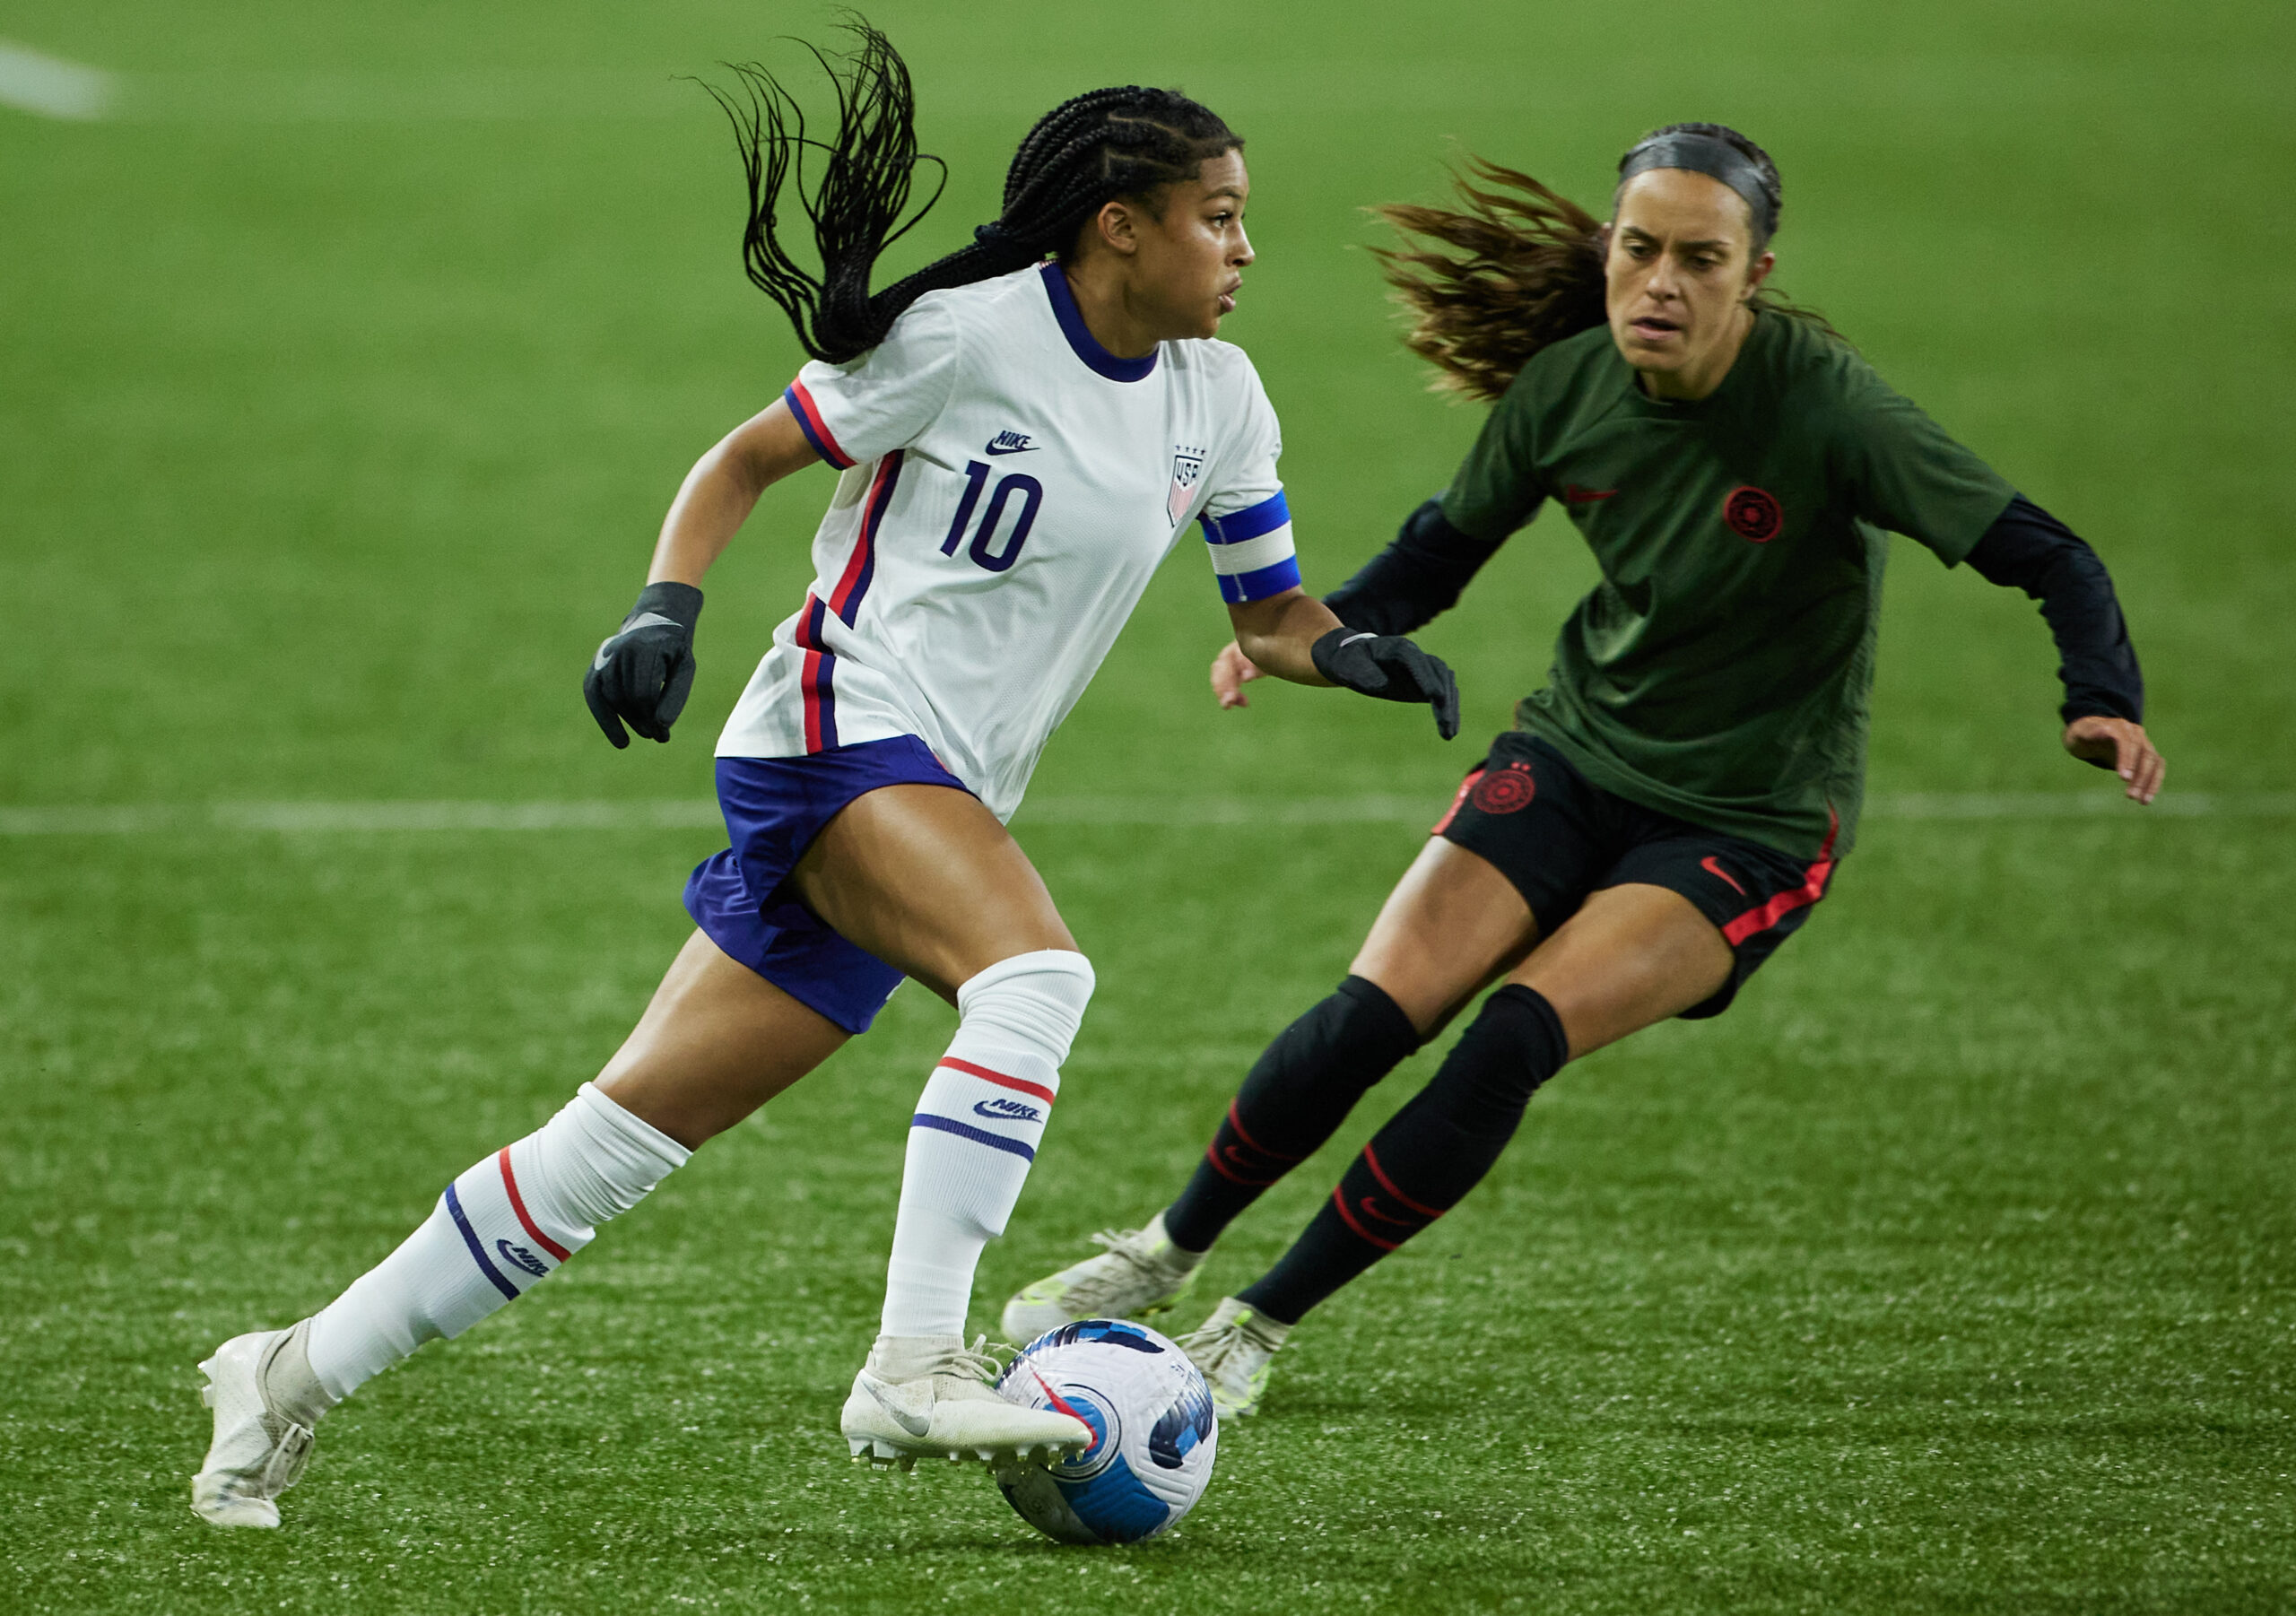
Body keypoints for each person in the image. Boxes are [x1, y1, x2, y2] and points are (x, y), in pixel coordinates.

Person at [190, 23, 1460, 1526]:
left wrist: (1353, 652)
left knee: (612, 1146)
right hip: (832, 728)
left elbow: (1271, 615)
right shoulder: (973, 335)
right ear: (1121, 226)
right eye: (1221, 215)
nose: (1248, 245)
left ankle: (280, 1376)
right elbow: (740, 462)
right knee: (1036, 979)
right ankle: (916, 1357)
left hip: (937, 785)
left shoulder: (1221, 395)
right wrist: (664, 608)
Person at [1003, 123, 2163, 1416]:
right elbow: (1441, 548)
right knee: (1369, 1014)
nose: (1660, 283)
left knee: (1508, 1038)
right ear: (1608, 251)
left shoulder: (1830, 409)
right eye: (1639, 249)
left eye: (1700, 260)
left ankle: (1256, 1325)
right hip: (1574, 750)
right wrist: (1312, 637)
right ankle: (1163, 1251)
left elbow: (2052, 554)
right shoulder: (1566, 389)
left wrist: (2100, 702)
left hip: (1748, 818)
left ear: (1755, 275)